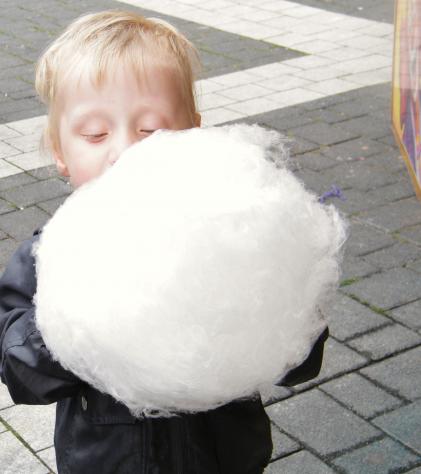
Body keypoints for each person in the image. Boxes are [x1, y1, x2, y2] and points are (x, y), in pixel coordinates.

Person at [0, 10, 329, 474]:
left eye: (151, 129)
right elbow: (18, 372)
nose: (125, 151)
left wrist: (276, 297)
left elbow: (297, 360)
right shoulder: (47, 257)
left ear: (195, 133)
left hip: (223, 459)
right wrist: (77, 325)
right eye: (95, 133)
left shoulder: (230, 235)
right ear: (59, 151)